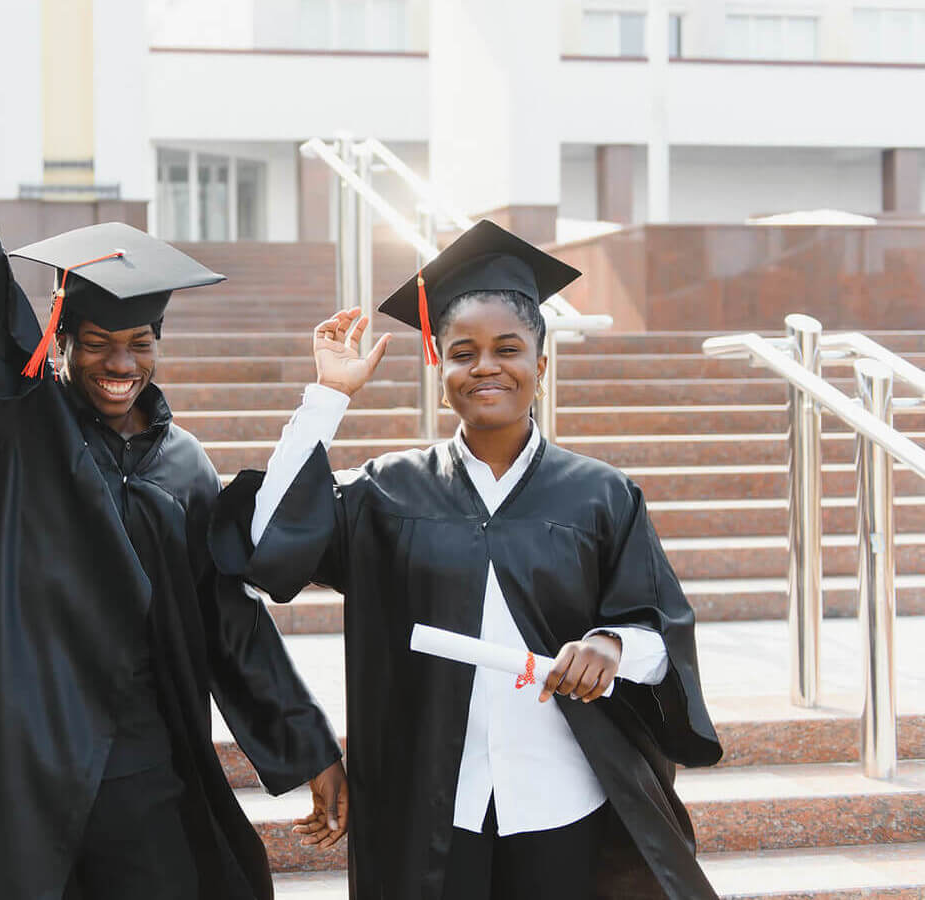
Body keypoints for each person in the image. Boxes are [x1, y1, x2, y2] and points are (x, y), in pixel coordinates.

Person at [0, 4, 347, 898]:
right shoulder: (25, 430)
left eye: (139, 343)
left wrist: (308, 746)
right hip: (34, 756)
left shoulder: (182, 464)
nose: (119, 363)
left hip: (146, 755)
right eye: (98, 341)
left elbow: (230, 621)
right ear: (61, 338)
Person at [209, 221, 724, 898]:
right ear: (439, 367)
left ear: (541, 363)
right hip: (429, 802)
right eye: (463, 352)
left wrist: (611, 646)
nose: (485, 366)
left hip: (561, 796)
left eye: (508, 348)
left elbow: (662, 633)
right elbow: (267, 548)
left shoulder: (599, 494)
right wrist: (327, 397)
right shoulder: (386, 492)